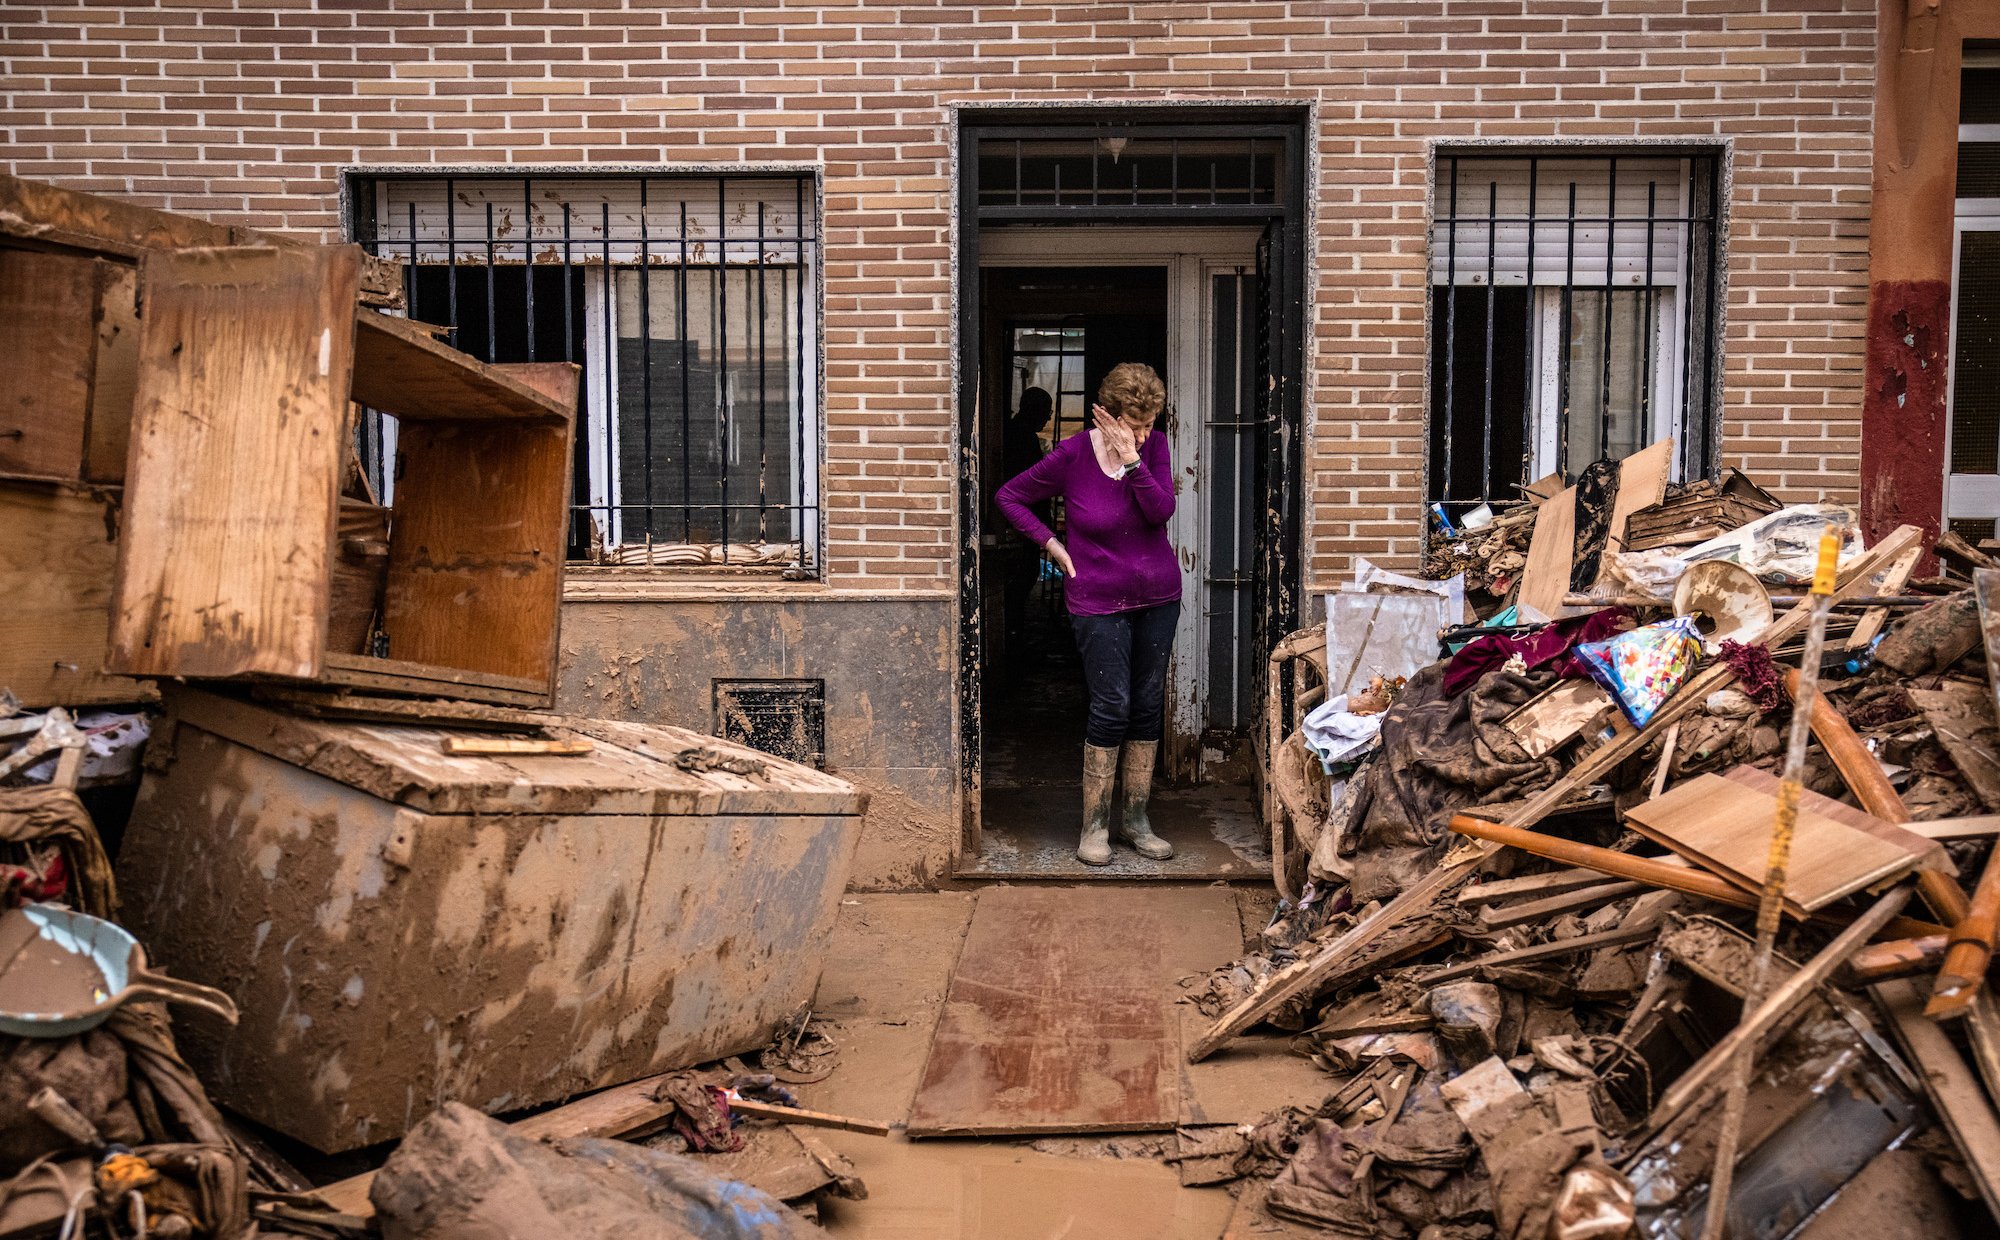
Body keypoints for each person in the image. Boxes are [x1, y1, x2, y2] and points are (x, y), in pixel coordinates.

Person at [995, 362, 1179, 866]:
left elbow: (1160, 511)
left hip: (1158, 596)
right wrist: (1050, 544)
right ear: (1108, 416)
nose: (1143, 434)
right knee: (1111, 705)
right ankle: (1094, 826)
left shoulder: (1154, 450)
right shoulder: (1073, 454)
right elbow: (1009, 496)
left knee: (1147, 704)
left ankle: (1136, 820)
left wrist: (1134, 460)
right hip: (1096, 602)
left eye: (1150, 424)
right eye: (1134, 425)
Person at [998, 388, 1054, 643]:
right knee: (1022, 574)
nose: (1049, 417)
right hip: (1021, 519)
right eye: (1047, 411)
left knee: (1026, 573)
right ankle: (1011, 630)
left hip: (1025, 518)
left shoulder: (1021, 433)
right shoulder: (1021, 437)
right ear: (1034, 409)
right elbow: (1029, 485)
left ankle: (1013, 628)